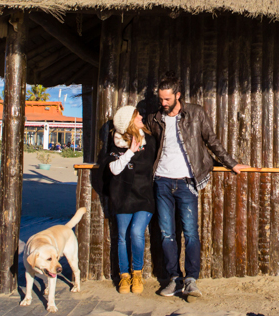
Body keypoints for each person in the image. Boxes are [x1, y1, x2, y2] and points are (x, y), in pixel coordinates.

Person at [146, 72, 250, 298]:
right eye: (160, 99)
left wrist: (232, 164)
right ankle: (174, 279)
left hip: (186, 183)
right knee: (166, 234)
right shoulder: (155, 118)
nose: (162, 103)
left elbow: (212, 141)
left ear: (177, 95)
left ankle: (192, 280)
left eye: (167, 99)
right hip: (162, 182)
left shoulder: (195, 113)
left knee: (191, 233)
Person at [105, 106, 157, 294]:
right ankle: (124, 276)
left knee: (136, 232)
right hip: (123, 196)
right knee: (122, 236)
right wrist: (130, 152)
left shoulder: (150, 140)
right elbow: (114, 169)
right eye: (137, 116)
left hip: (144, 196)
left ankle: (137, 273)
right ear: (129, 122)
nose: (142, 117)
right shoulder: (118, 144)